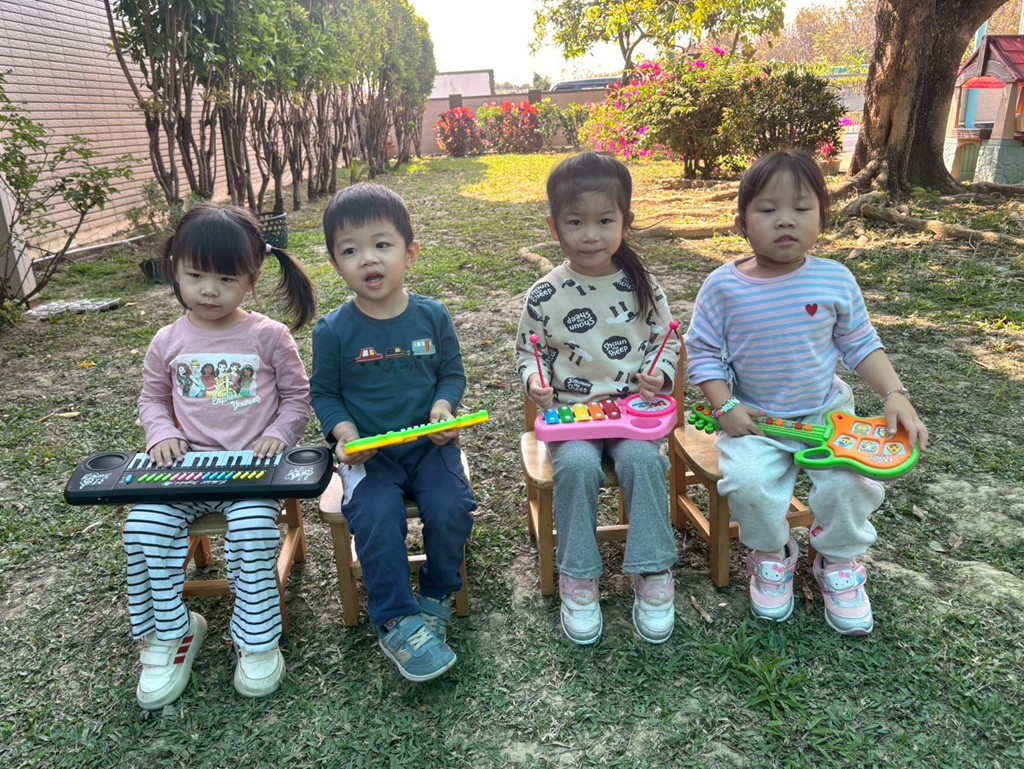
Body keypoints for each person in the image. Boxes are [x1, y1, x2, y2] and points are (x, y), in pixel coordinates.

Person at [685, 150, 929, 636]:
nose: (785, 220)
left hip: (824, 415)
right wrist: (725, 404)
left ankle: (837, 562)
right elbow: (703, 352)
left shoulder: (834, 279)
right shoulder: (723, 287)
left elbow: (861, 344)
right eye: (767, 209)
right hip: (756, 422)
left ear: (821, 217)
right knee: (748, 484)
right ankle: (771, 553)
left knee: (849, 483)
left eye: (801, 208)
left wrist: (895, 393)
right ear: (741, 222)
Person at [123, 204, 317, 709]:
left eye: (226, 278)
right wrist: (161, 433)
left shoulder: (269, 336)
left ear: (252, 280)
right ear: (176, 271)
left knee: (252, 534)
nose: (209, 290)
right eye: (196, 275)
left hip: (251, 472)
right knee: (142, 529)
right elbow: (152, 399)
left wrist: (278, 433)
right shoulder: (168, 341)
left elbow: (298, 397)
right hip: (184, 471)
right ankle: (170, 633)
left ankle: (256, 639)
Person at [310, 183, 476, 682]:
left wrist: (444, 409)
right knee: (377, 514)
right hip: (370, 456)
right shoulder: (333, 331)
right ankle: (396, 618)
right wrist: (345, 434)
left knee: (451, 505)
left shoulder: (433, 315)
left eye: (381, 244)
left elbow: (451, 374)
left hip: (429, 448)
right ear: (335, 264)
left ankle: (436, 593)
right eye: (350, 250)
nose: (368, 258)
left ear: (410, 252)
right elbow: (325, 394)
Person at [515, 151, 681, 646]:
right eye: (575, 222)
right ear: (554, 226)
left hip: (633, 414)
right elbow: (529, 352)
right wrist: (535, 382)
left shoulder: (642, 285)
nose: (590, 235)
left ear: (625, 222)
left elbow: (667, 338)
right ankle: (579, 576)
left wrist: (661, 374)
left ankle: (652, 571)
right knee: (578, 467)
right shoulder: (544, 295)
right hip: (573, 417)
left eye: (604, 221)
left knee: (643, 463)